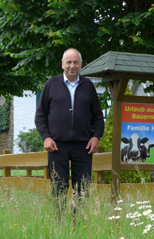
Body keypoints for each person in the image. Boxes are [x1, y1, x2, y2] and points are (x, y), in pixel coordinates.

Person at [35, 48, 104, 209]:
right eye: (69, 62)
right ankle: (61, 225)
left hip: (84, 147)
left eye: (75, 62)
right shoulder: (51, 84)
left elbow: (98, 117)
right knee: (59, 188)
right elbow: (40, 116)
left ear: (81, 65)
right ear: (62, 64)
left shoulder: (88, 86)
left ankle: (78, 224)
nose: (72, 66)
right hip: (57, 147)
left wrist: (96, 137)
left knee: (83, 189)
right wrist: (46, 137)